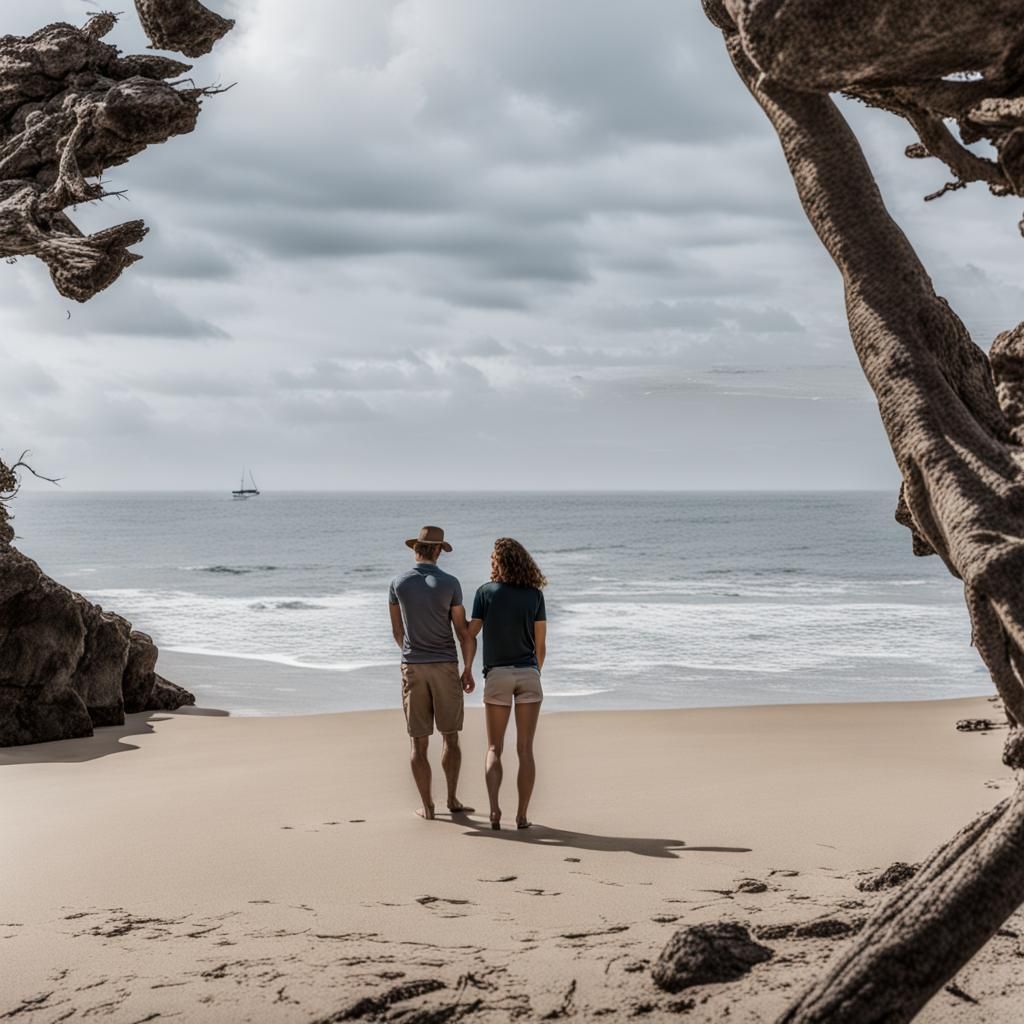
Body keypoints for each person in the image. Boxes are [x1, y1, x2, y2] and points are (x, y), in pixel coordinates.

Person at [389, 526, 476, 821]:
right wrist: (467, 668)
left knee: (418, 741)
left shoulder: (397, 583)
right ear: (438, 550)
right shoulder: (451, 583)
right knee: (450, 737)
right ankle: (452, 800)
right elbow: (462, 632)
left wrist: (412, 655)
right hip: (445, 665)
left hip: (413, 665)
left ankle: (427, 807)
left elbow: (397, 632)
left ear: (416, 549)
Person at [465, 538, 547, 831]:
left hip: (497, 675)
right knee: (525, 749)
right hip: (528, 675)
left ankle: (495, 811)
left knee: (493, 748)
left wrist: (454, 618)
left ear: (498, 562)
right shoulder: (535, 596)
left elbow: (470, 632)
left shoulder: (485, 593)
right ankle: (522, 816)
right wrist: (535, 672)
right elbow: (541, 645)